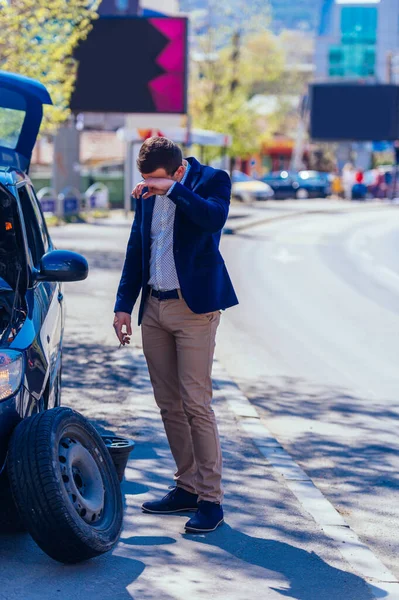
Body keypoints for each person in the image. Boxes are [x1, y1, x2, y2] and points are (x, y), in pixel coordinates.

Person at [113, 137, 239, 533]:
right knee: (168, 402)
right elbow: (138, 248)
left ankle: (211, 500)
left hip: (194, 309)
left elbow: (212, 220)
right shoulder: (148, 194)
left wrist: (174, 191)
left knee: (196, 402)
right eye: (146, 178)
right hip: (154, 307)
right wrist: (122, 305)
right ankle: (187, 486)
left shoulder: (213, 181)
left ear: (179, 171)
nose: (149, 184)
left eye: (156, 179)